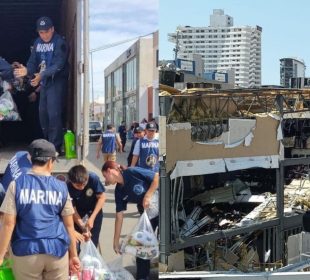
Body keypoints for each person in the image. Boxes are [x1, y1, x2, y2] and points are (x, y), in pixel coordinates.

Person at [0, 139, 80, 279]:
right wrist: (73, 255)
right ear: (50, 162)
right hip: (56, 252)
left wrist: (1, 255)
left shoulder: (16, 185)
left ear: (31, 159)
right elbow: (69, 226)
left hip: (26, 252)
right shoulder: (61, 187)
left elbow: (8, 224)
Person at [14, 16, 69, 153]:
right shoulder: (38, 43)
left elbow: (58, 64)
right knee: (42, 114)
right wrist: (27, 70)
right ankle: (48, 143)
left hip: (56, 81)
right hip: (44, 82)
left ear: (52, 29)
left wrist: (41, 76)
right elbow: (33, 62)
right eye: (41, 32)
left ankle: (55, 146)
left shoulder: (60, 42)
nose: (44, 35)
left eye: (46, 31)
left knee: (54, 114)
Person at [101, 161, 159, 280]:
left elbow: (156, 177)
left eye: (105, 176)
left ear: (110, 170)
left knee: (165, 242)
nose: (105, 180)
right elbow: (119, 216)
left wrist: (148, 195)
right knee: (142, 246)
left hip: (161, 207)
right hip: (147, 215)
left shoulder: (131, 172)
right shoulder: (119, 191)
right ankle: (143, 277)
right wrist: (115, 241)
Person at [67, 164, 106, 247]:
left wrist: (92, 218)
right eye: (78, 185)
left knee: (92, 242)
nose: (81, 187)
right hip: (77, 214)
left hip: (94, 212)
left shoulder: (93, 178)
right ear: (71, 181)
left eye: (84, 184)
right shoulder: (67, 186)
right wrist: (82, 227)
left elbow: (101, 198)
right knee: (76, 242)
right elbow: (72, 209)